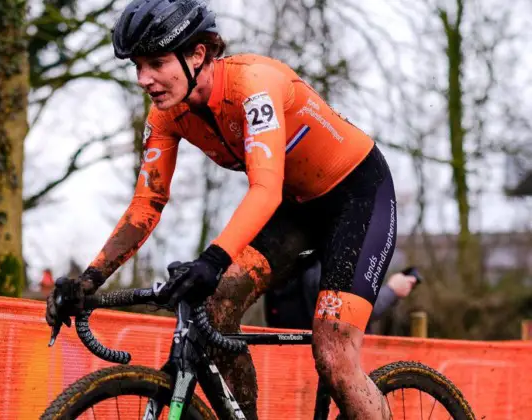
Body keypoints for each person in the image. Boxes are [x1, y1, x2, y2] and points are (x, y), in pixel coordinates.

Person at [46, 1, 397, 418]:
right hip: (296, 210)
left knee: (334, 351)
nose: (144, 79)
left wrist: (213, 259)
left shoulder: (253, 84)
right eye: (137, 66)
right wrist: (89, 279)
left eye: (156, 62)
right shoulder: (167, 116)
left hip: (356, 196)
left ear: (198, 54)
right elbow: (147, 202)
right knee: (217, 307)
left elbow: (264, 190)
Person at [264, 250, 421, 331]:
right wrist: (392, 290)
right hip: (321, 356)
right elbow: (351, 308)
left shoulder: (291, 259)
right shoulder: (318, 260)